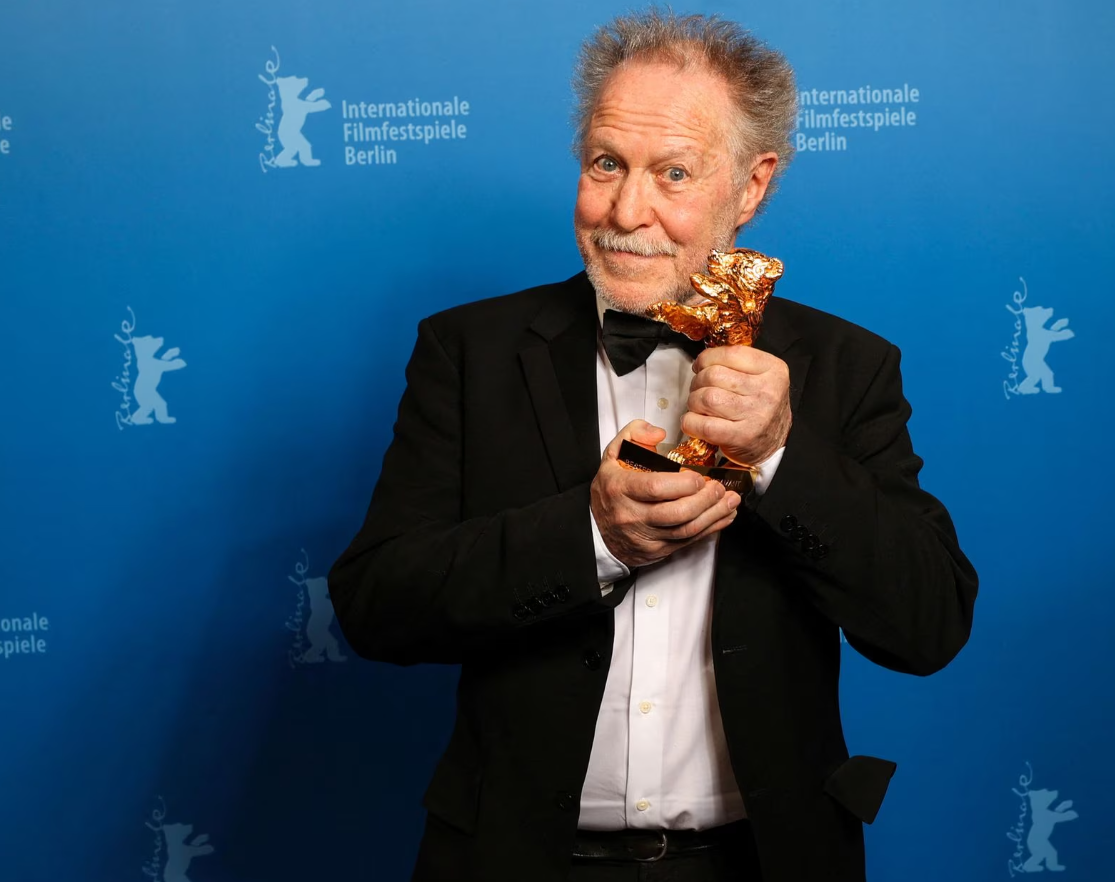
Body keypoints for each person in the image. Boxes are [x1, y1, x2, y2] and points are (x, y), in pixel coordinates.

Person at [328, 10, 977, 882]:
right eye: (606, 165)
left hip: (761, 863)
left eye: (674, 173)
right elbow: (374, 605)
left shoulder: (846, 367)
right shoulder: (468, 351)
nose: (626, 211)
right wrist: (592, 537)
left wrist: (784, 455)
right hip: (517, 861)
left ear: (751, 187)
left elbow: (928, 626)